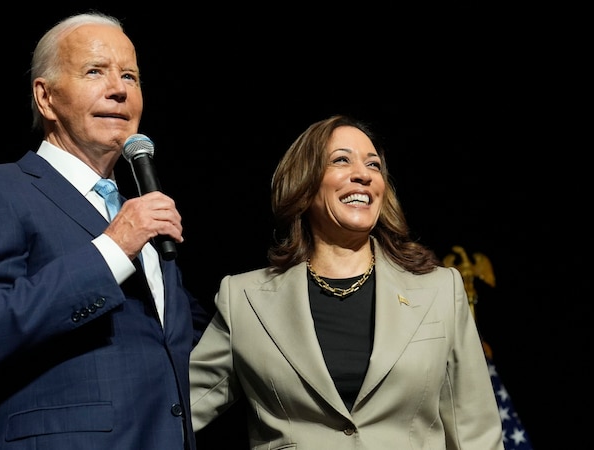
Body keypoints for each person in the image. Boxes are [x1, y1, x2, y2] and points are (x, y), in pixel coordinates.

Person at [0, 12, 210, 450]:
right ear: (45, 98)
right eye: (95, 72)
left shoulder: (140, 215)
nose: (119, 89)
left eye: (130, 76)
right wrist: (112, 248)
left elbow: (186, 346)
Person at [189, 114, 504, 449]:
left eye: (374, 165)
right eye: (341, 160)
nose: (363, 175)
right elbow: (174, 409)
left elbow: (477, 433)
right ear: (304, 184)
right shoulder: (244, 300)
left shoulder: (440, 289)